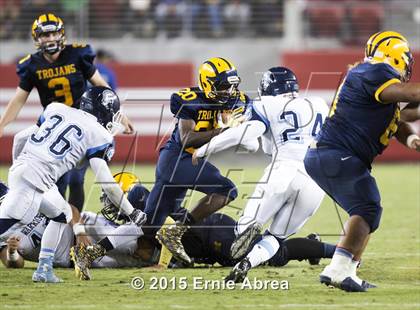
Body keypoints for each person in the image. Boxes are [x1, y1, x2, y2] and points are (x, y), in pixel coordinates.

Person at [303, 31, 420, 292]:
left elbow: (400, 117)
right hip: (335, 153)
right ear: (396, 56)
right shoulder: (373, 71)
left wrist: (412, 140)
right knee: (366, 206)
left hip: (333, 155)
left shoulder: (374, 81)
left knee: (368, 209)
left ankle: (347, 270)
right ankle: (337, 269)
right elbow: (412, 96)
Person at [193, 67, 329, 282]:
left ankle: (249, 227)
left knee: (242, 230)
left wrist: (205, 149)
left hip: (283, 170)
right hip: (317, 178)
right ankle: (246, 264)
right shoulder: (319, 104)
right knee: (276, 237)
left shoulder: (265, 104)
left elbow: (247, 133)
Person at [0, 86, 145, 283]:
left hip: (31, 174)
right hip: (36, 179)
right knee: (5, 223)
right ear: (105, 110)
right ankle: (44, 269)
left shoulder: (56, 109)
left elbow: (19, 138)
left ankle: (44, 269)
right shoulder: (100, 135)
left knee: (62, 215)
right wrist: (132, 212)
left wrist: (18, 165)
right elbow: (107, 184)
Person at [0, 13, 132, 212]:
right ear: (37, 38)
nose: (50, 38)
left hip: (82, 126)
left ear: (61, 34)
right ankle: (56, 225)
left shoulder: (77, 54)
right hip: (55, 126)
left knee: (77, 179)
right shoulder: (31, 65)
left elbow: (101, 86)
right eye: (45, 35)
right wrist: (2, 124)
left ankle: (73, 230)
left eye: (53, 33)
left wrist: (119, 112)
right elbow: (19, 98)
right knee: (55, 182)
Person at [143, 57, 251, 264]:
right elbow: (186, 139)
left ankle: (98, 249)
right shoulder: (189, 99)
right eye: (223, 87)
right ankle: (176, 231)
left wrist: (234, 120)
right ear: (207, 83)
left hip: (185, 161)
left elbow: (241, 116)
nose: (229, 92)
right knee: (227, 190)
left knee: (148, 226)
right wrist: (222, 130)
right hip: (177, 159)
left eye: (232, 86)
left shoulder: (234, 100)